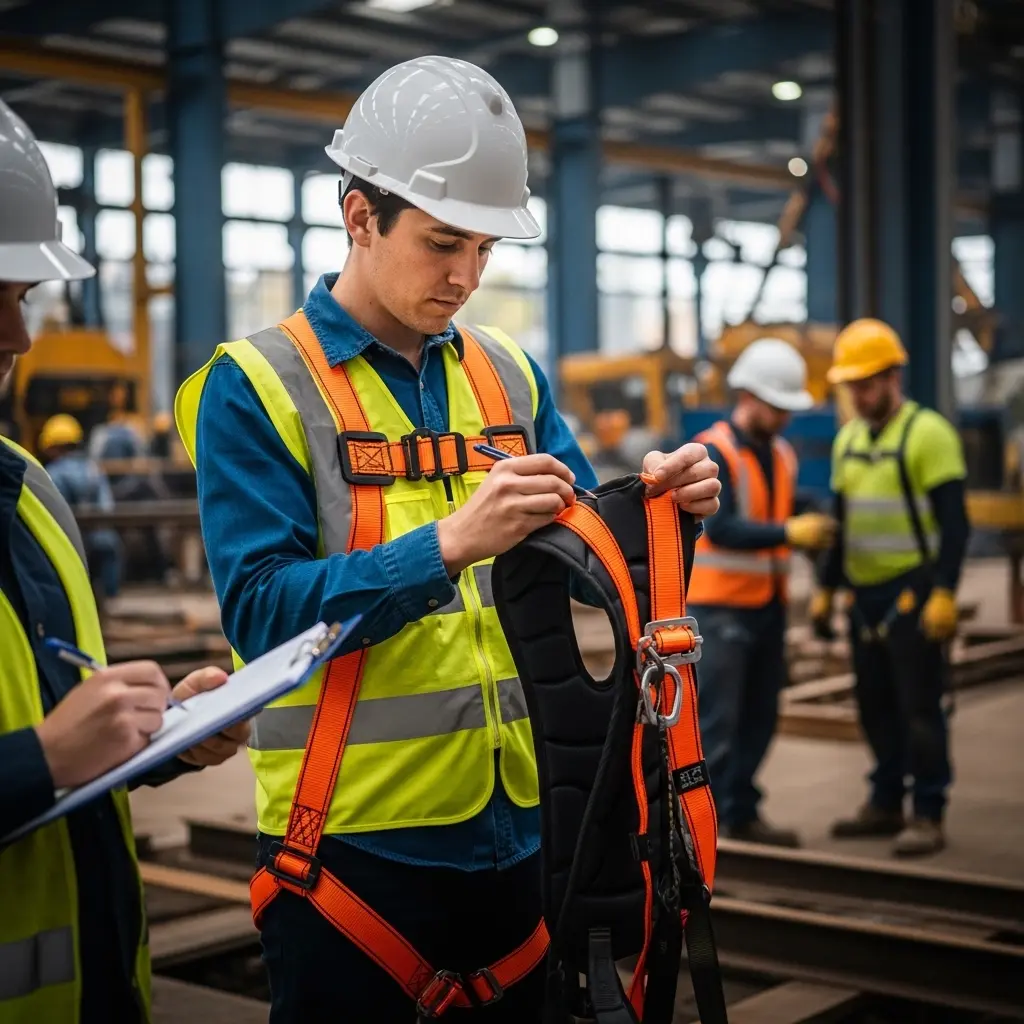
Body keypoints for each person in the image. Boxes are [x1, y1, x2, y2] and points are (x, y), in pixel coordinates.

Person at [175, 56, 721, 1022]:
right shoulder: (253, 386)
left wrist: (661, 509)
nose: (466, 277)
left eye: (483, 249)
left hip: (524, 832)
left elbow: (579, 544)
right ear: (359, 218)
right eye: (441, 244)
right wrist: (445, 547)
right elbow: (260, 613)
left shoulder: (509, 374)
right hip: (350, 852)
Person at [0, 98, 250, 1023]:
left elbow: (57, 726)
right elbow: (42, 751)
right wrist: (41, 759)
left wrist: (151, 740)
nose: (19, 339)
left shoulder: (27, 492)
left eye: (22, 297)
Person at [811, 318, 970, 857]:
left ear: (893, 376)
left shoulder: (928, 435)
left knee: (920, 707)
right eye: (852, 383)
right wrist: (827, 590)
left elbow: (955, 524)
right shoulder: (848, 440)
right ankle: (884, 802)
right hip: (864, 596)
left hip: (913, 593)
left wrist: (945, 590)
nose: (859, 392)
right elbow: (842, 521)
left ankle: (927, 811)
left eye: (869, 381)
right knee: (875, 707)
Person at [687, 338, 837, 847]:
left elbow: (778, 503)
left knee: (760, 716)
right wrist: (792, 533)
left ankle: (742, 811)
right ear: (748, 396)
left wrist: (812, 508)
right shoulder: (713, 451)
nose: (783, 418)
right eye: (777, 407)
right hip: (719, 607)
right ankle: (710, 825)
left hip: (766, 607)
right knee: (718, 722)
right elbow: (723, 527)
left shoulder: (782, 453)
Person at [39, 412, 123, 603]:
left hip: (69, 546)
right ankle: (108, 599)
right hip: (101, 538)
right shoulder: (93, 469)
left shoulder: (53, 473)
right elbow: (106, 507)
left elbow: (55, 513)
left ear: (51, 446)